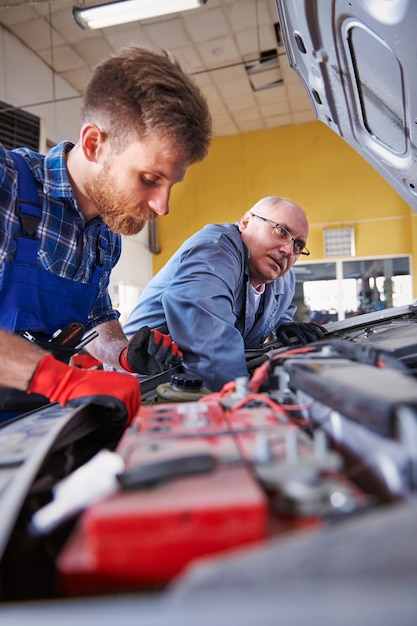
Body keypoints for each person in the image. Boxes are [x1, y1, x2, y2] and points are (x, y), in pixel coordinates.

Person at [0, 46, 212, 422]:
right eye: (149, 179)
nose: (162, 206)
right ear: (94, 143)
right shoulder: (8, 183)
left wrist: (124, 354)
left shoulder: (106, 232)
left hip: (35, 423)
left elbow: (94, 318)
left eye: (170, 186)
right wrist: (59, 379)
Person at [124, 196, 326, 392]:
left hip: (198, 383)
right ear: (246, 222)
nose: (288, 250)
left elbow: (278, 312)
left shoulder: (282, 277)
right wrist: (245, 403)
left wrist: (285, 325)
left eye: (298, 245)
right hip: (143, 385)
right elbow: (212, 351)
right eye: (281, 231)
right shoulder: (215, 252)